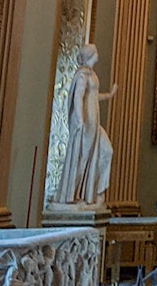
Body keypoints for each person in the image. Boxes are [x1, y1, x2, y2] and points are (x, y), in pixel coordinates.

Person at [53, 44, 117, 207]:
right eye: (95, 52)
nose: (98, 54)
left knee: (106, 151)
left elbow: (93, 96)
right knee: (82, 157)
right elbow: (78, 98)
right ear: (91, 55)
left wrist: (109, 95)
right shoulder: (82, 75)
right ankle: (73, 194)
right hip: (87, 120)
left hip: (94, 120)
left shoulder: (91, 74)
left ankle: (95, 192)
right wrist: (80, 119)